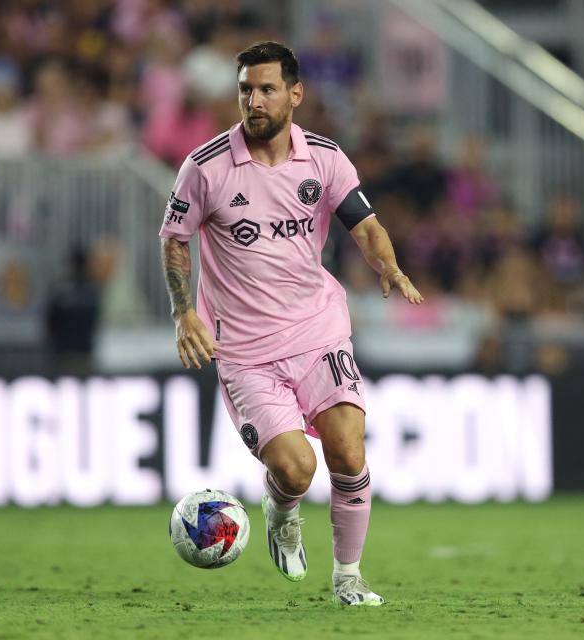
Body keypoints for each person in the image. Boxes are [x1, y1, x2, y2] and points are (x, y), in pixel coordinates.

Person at [158, 42, 423, 607]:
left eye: (267, 89)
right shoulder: (204, 168)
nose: (253, 100)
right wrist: (184, 311)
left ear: (295, 94)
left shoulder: (325, 158)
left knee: (349, 452)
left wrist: (389, 264)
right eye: (245, 90)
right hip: (247, 351)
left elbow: (364, 223)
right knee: (297, 469)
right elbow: (175, 240)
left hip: (318, 330)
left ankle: (349, 577)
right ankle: (281, 510)